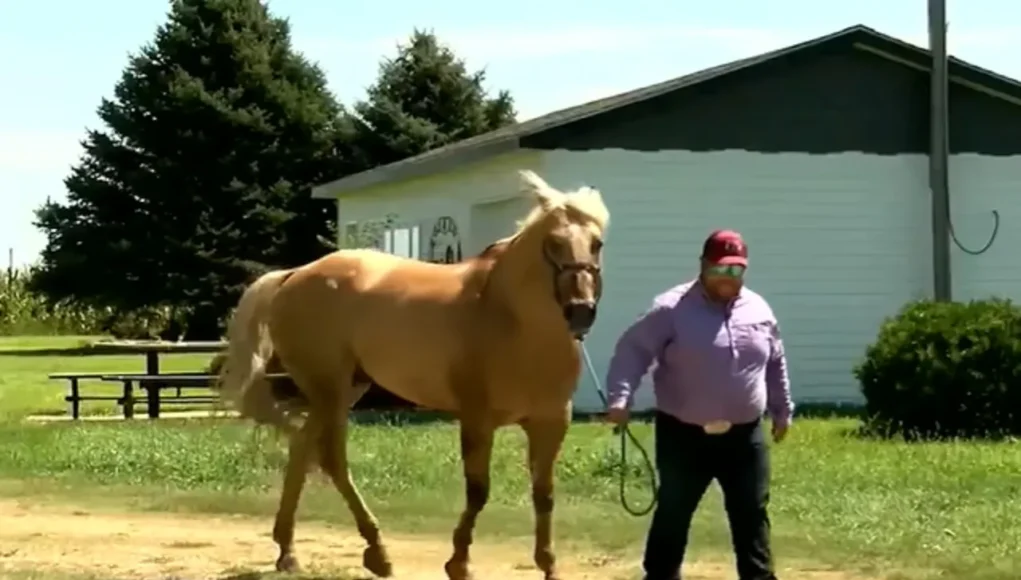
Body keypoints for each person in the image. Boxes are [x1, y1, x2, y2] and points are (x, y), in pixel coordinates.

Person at [604, 229, 794, 580]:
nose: (728, 277)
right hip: (684, 436)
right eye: (721, 268)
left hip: (744, 436)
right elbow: (633, 351)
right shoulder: (669, 309)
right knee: (674, 511)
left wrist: (782, 408)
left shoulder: (759, 309)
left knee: (751, 512)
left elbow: (775, 360)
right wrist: (620, 396)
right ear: (703, 266)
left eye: (736, 270)